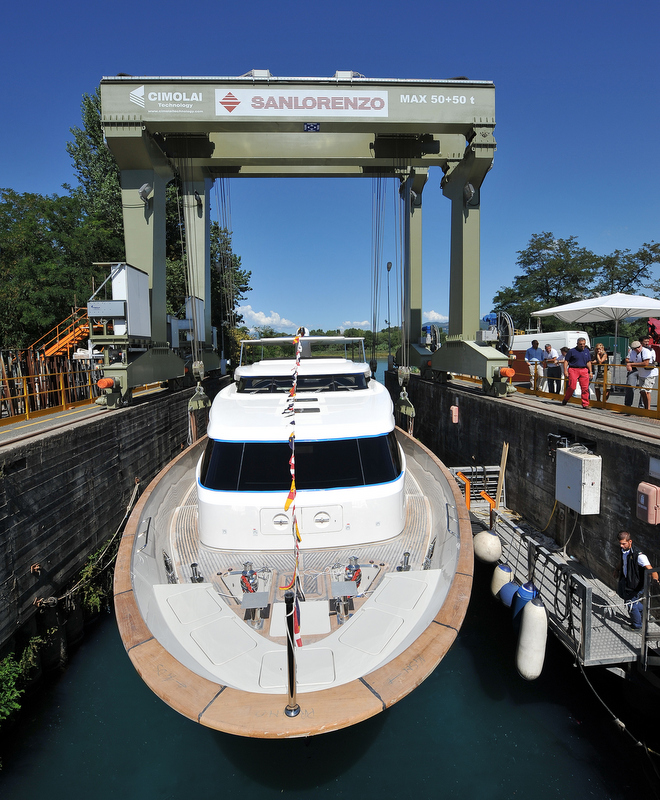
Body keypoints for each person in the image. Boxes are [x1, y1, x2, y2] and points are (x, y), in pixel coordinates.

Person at [617, 531, 659, 630]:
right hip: (628, 581)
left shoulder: (639, 556)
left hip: (636, 584)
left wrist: (655, 579)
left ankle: (637, 626)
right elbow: (623, 561)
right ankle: (644, 615)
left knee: (630, 604)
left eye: (624, 543)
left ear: (630, 541)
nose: (622, 546)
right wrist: (617, 569)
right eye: (620, 543)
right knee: (633, 601)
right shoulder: (623, 551)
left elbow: (650, 569)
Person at [624, 340, 657, 410]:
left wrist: (631, 364)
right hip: (641, 374)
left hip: (650, 374)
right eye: (635, 348)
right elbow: (628, 360)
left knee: (645, 391)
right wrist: (629, 364)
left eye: (639, 347)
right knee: (642, 392)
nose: (638, 349)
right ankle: (645, 409)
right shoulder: (632, 352)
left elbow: (646, 363)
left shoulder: (646, 351)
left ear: (641, 345)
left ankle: (648, 409)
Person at [561, 338, 593, 408]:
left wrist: (590, 371)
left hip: (584, 369)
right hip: (573, 369)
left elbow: (588, 362)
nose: (582, 346)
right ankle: (566, 399)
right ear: (577, 344)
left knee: (585, 388)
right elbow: (566, 361)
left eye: (584, 344)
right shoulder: (572, 351)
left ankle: (585, 404)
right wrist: (565, 370)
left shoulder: (587, 351)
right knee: (572, 386)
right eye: (581, 344)